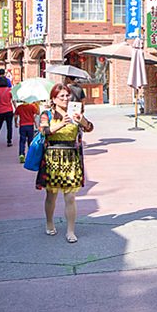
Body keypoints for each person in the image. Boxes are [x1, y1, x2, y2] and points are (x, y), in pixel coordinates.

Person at [36, 84, 93, 243]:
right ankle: (49, 222)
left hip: (71, 157)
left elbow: (89, 128)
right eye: (61, 96)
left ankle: (70, 230)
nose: (66, 99)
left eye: (67, 96)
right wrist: (61, 124)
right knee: (51, 196)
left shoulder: (75, 112)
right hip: (52, 157)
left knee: (71, 197)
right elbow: (43, 130)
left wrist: (81, 120)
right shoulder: (46, 114)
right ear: (54, 99)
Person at [0, 77, 15, 148]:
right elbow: (13, 100)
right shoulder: (10, 90)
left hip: (0, 110)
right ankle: (9, 141)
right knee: (9, 126)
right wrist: (16, 108)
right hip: (9, 109)